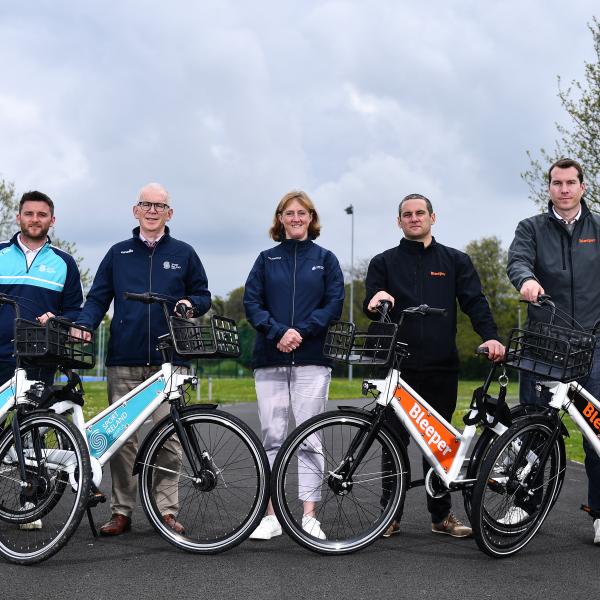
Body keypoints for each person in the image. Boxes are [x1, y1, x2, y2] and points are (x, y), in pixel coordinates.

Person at [364, 193, 504, 539]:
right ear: (399, 222)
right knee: (391, 444)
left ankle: (441, 517)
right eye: (407, 214)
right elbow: (371, 299)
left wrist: (491, 336)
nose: (414, 218)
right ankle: (389, 516)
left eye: (420, 213)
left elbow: (475, 302)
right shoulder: (383, 262)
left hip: (441, 366)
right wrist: (374, 301)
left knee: (439, 445)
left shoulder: (455, 260)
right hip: (397, 368)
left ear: (432, 217)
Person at [77, 182, 211, 536]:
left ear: (170, 213)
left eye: (160, 206)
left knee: (169, 438)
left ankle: (166, 510)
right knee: (123, 440)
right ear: (135, 210)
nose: (152, 211)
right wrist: (85, 325)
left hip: (170, 360)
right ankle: (122, 510)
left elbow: (203, 293)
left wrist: (191, 304)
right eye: (146, 205)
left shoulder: (184, 253)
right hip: (124, 359)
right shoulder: (118, 253)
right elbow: (97, 298)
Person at [507, 158, 600, 545]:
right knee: (533, 429)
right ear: (549, 188)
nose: (564, 189)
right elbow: (517, 261)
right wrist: (526, 280)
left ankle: (599, 513)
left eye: (570, 182)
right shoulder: (530, 227)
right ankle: (524, 503)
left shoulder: (598, 228)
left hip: (593, 347)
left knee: (596, 432)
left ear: (582, 186)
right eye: (557, 183)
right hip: (545, 346)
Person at [243, 190, 345, 540]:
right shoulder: (265, 259)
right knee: (272, 436)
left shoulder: (326, 259)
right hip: (270, 358)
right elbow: (252, 302)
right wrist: (277, 332)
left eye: (302, 212)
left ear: (311, 218)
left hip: (311, 359)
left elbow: (333, 303)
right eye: (290, 213)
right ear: (280, 218)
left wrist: (300, 332)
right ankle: (270, 516)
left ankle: (309, 516)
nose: (296, 218)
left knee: (309, 437)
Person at [0, 190, 83, 387]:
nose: (35, 219)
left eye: (42, 215)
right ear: (18, 217)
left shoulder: (65, 262)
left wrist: (56, 319)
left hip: (40, 359)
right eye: (29, 214)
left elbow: (75, 311)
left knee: (35, 419)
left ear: (52, 220)